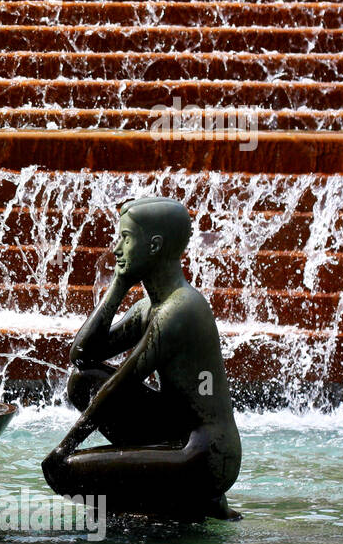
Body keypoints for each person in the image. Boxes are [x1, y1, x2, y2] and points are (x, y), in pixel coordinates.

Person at [42, 197, 241, 521]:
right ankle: (188, 500)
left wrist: (65, 447)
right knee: (83, 382)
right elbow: (81, 354)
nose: (117, 248)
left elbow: (122, 383)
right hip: (174, 433)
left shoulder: (181, 309)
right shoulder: (149, 307)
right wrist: (120, 283)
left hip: (208, 454)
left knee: (66, 473)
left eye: (126, 239)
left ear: (154, 246)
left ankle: (187, 501)